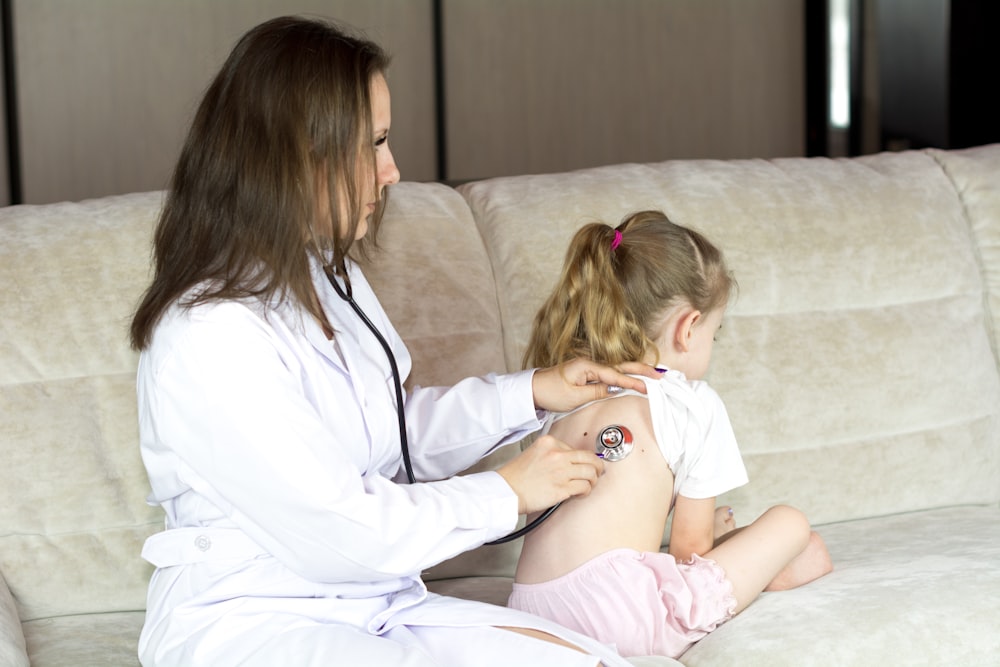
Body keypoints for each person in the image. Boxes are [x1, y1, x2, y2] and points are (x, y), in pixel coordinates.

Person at [128, 16, 659, 667]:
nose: (392, 170)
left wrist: (533, 392)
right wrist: (509, 491)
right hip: (254, 622)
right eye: (374, 144)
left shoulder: (327, 274)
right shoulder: (209, 335)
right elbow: (341, 526)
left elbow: (391, 437)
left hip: (373, 602)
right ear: (300, 152)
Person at [508, 211, 834, 659]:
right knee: (792, 526)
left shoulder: (564, 389)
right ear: (688, 328)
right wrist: (722, 545)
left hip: (529, 615)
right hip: (621, 622)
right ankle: (765, 568)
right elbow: (689, 554)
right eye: (714, 335)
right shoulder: (691, 402)